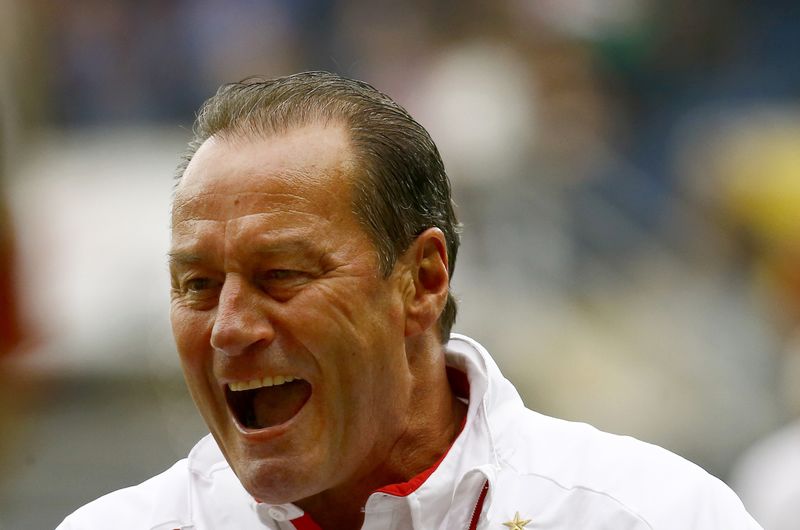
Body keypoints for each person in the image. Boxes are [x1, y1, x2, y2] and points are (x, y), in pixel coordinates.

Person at [57, 71, 761, 530]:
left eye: (282, 274)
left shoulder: (650, 515)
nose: (229, 329)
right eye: (198, 286)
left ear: (422, 279)